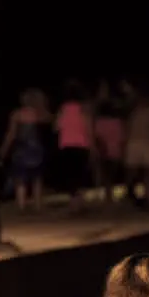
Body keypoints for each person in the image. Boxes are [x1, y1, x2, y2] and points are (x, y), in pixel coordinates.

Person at [0, 88, 49, 211]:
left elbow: (12, 134)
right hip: (38, 149)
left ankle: (21, 204)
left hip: (21, 149)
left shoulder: (17, 114)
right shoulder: (41, 114)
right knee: (37, 178)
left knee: (20, 178)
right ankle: (38, 205)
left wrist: (4, 149)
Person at [54, 80, 97, 212]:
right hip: (81, 144)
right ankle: (79, 203)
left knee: (70, 174)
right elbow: (88, 128)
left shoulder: (62, 109)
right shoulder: (84, 109)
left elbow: (56, 127)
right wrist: (93, 146)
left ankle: (73, 203)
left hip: (66, 144)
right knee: (81, 174)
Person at [123, 90, 149, 207]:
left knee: (148, 173)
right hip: (135, 143)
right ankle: (133, 197)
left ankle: (148, 199)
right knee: (132, 173)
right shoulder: (133, 110)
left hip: (145, 143)